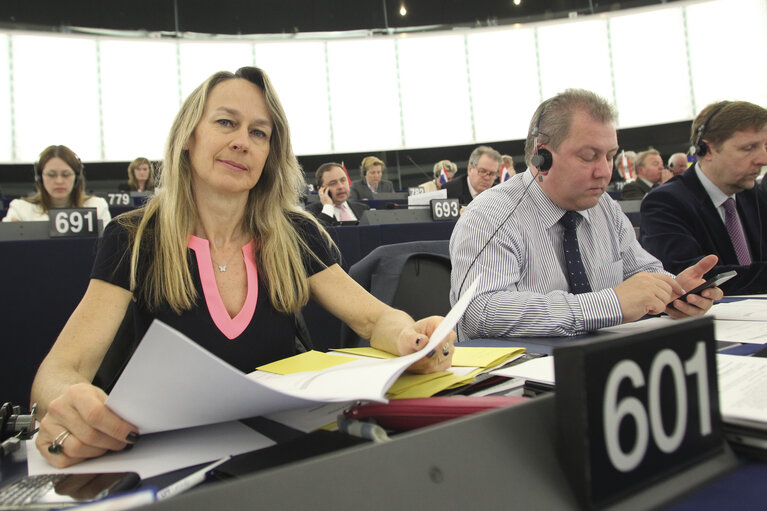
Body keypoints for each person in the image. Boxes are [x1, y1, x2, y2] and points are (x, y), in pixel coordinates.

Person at [30, 67, 455, 469]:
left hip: (279, 460)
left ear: (269, 154)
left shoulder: (295, 234)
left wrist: (409, 338)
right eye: (225, 123)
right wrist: (71, 405)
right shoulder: (134, 237)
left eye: (258, 133)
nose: (241, 142)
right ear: (187, 137)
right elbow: (58, 373)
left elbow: (375, 316)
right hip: (170, 467)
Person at [449, 89, 721, 340]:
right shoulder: (490, 216)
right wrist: (609, 304)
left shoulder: (606, 208)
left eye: (610, 156)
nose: (604, 171)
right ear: (542, 156)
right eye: (589, 157)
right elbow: (479, 312)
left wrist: (674, 290)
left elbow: (643, 271)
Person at [641, 100, 767, 295]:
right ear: (706, 150)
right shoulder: (665, 203)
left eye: (765, 146)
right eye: (749, 148)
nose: (763, 158)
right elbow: (689, 278)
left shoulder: (752, 195)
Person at [2, 145, 111, 224]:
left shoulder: (97, 206)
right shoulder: (20, 209)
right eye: (51, 175)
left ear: (77, 177)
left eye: (66, 174)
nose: (59, 181)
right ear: (40, 178)